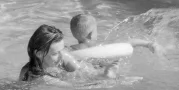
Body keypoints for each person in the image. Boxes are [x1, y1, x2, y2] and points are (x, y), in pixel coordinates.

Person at [21, 22, 154, 81]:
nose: (62, 56)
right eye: (55, 53)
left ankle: (148, 44)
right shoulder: (34, 75)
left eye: (62, 49)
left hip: (86, 59)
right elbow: (75, 87)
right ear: (38, 53)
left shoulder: (64, 57)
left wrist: (107, 75)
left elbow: (84, 75)